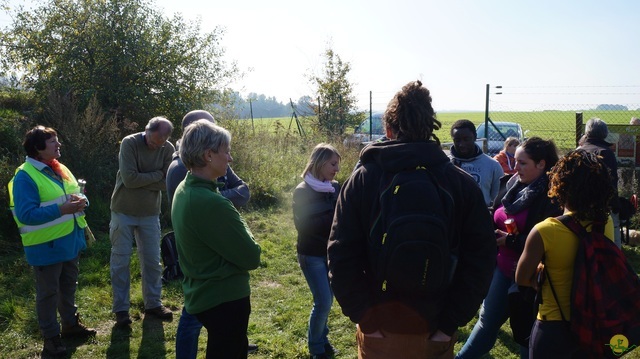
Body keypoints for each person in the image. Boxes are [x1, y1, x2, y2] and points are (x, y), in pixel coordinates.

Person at [328, 80, 496, 359]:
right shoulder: (461, 184)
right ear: (430, 127)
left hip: (380, 327)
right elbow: (481, 258)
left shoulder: (364, 179)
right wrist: (449, 323)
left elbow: (340, 253)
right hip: (435, 328)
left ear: (389, 129)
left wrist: (366, 321)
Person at [455, 137, 561, 359]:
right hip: (502, 269)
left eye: (523, 163)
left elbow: (548, 242)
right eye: (515, 161)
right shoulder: (511, 184)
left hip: (531, 278)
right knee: (486, 323)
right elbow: (496, 213)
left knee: (526, 334)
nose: (515, 167)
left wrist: (511, 241)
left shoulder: (552, 197)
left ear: (541, 164)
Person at [167, 110, 256, 358]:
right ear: (208, 155)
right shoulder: (212, 202)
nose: (230, 158)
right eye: (226, 152)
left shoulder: (185, 187)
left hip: (202, 291)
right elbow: (252, 257)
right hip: (224, 297)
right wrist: (238, 220)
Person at [516, 149, 615, 358]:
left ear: (559, 185)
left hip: (554, 327)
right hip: (594, 324)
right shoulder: (606, 224)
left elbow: (522, 278)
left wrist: (539, 277)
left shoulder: (545, 231)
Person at [8, 126, 96, 356]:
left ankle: (70, 325)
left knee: (68, 287)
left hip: (69, 241)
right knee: (48, 294)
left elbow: (76, 192)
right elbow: (27, 214)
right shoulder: (24, 176)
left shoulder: (58, 167)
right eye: (52, 142)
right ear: (38, 148)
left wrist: (82, 201)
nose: (59, 145)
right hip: (46, 246)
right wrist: (63, 209)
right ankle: (51, 339)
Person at [110, 116, 175, 326]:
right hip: (123, 210)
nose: (155, 146)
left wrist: (143, 179)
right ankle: (121, 310)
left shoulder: (168, 149)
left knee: (153, 261)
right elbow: (129, 180)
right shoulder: (130, 143)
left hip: (150, 212)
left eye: (159, 143)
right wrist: (157, 175)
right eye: (151, 141)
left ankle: (153, 304)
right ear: (146, 130)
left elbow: (168, 183)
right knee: (121, 261)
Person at [293, 143, 341, 359]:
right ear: (319, 163)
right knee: (323, 301)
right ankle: (316, 348)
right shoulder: (302, 191)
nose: (336, 169)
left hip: (330, 253)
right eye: (333, 164)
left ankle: (321, 337)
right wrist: (337, 223)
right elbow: (304, 226)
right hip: (311, 253)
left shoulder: (335, 187)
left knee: (327, 300)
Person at [577, 118, 621, 248]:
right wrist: (615, 205)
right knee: (613, 231)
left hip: (578, 204)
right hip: (602, 205)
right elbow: (611, 182)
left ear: (587, 132)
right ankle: (615, 257)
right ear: (605, 134)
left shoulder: (577, 151)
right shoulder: (606, 153)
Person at [449, 119, 504, 206]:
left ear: (475, 137)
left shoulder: (493, 165)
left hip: (481, 217)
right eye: (457, 140)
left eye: (466, 139)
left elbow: (497, 202)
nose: (461, 144)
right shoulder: (446, 165)